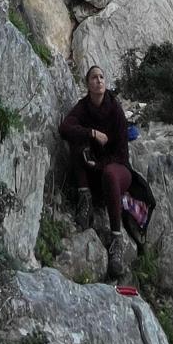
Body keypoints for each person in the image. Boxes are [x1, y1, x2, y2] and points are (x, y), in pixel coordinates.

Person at [60, 64, 134, 277]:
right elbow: (64, 128)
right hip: (94, 171)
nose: (99, 80)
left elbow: (122, 154)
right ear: (87, 84)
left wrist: (100, 165)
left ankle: (116, 240)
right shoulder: (83, 107)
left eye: (102, 77)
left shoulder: (115, 110)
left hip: (118, 170)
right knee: (77, 141)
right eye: (94, 77)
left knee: (110, 172)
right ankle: (85, 201)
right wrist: (92, 133)